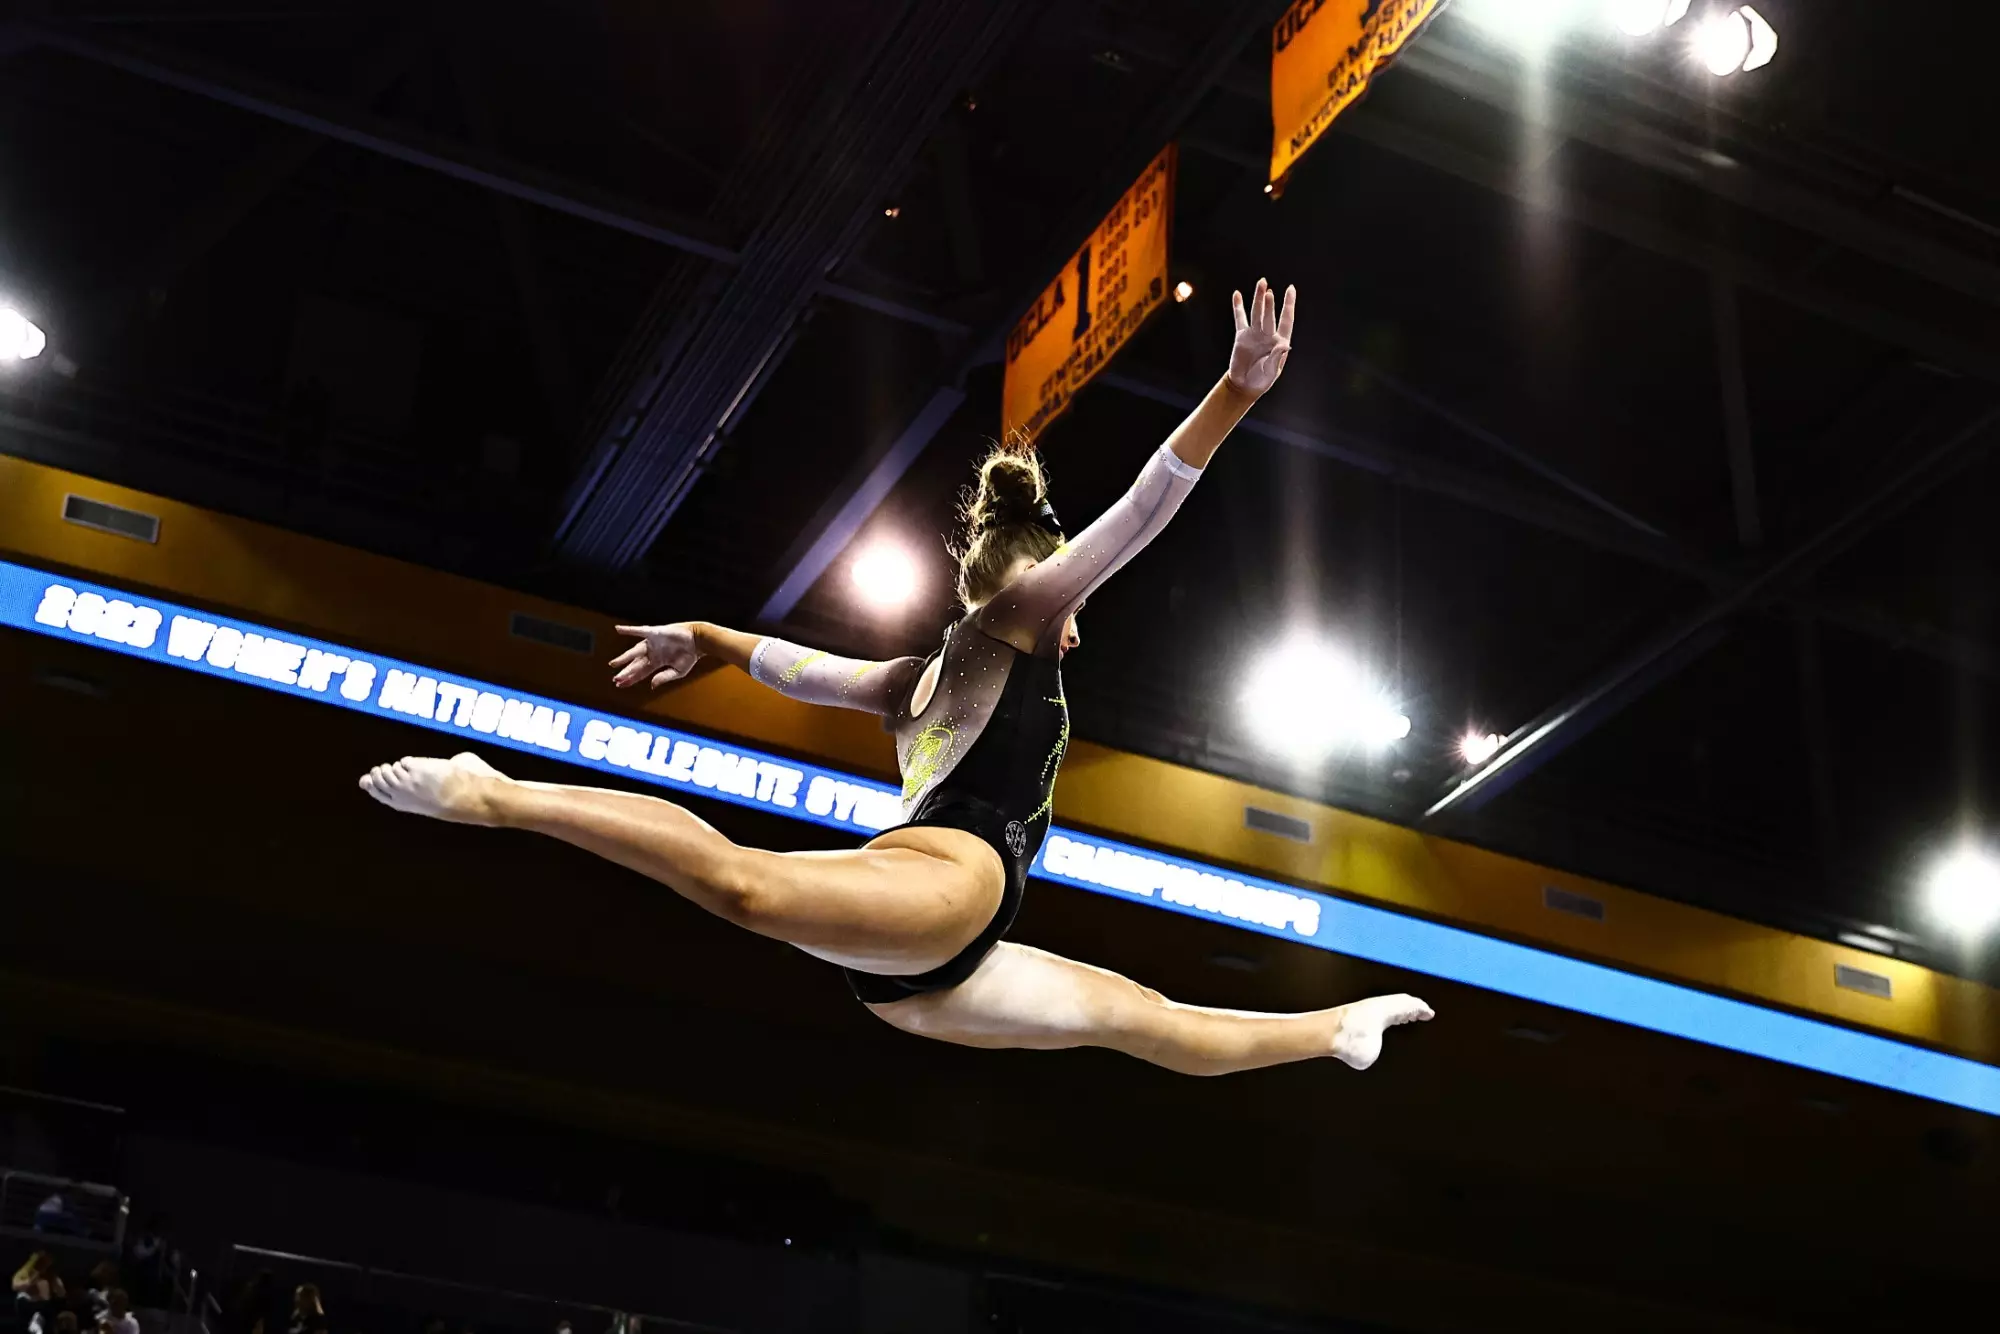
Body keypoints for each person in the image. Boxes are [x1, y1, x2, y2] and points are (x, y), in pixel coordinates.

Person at [361, 280, 1432, 1077]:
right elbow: (1143, 511)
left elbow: (796, 669)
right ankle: (495, 792)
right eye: (1070, 601)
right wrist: (1234, 393)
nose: (1076, 624)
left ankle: (1335, 1029)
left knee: (1148, 1022)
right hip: (947, 891)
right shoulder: (1016, 618)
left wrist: (709, 637)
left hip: (925, 962)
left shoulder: (910, 677)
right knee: (743, 887)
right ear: (1033, 588)